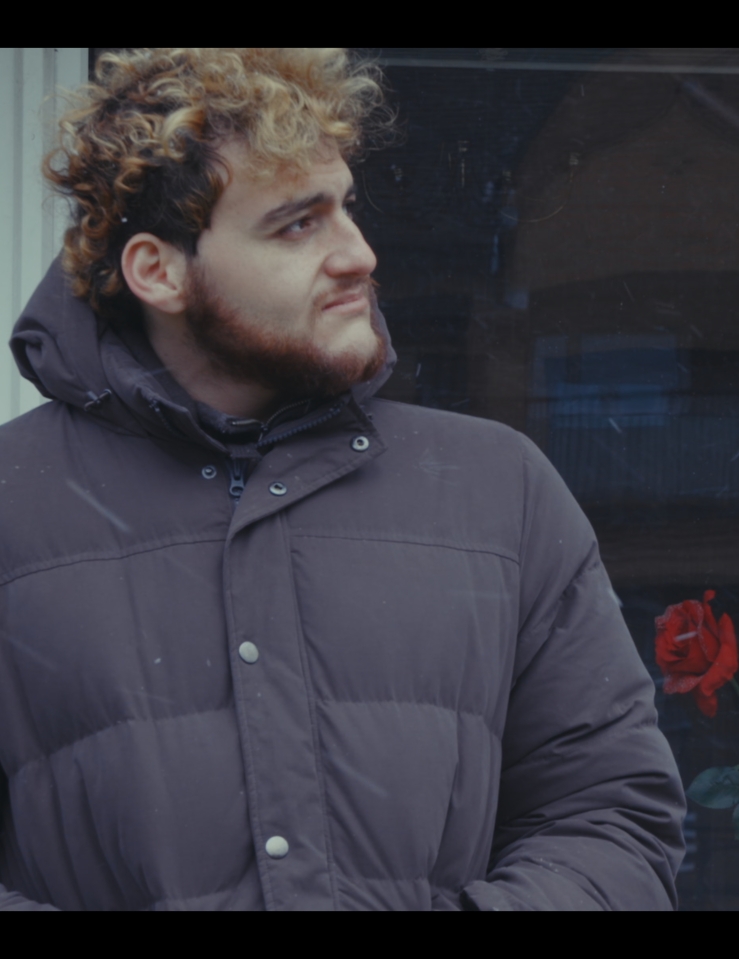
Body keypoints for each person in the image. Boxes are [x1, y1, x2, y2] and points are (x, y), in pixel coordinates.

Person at [0, 48, 684, 912]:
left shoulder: (496, 492)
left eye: (345, 209)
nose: (358, 255)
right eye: (296, 225)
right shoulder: (13, 507)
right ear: (157, 271)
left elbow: (611, 819)